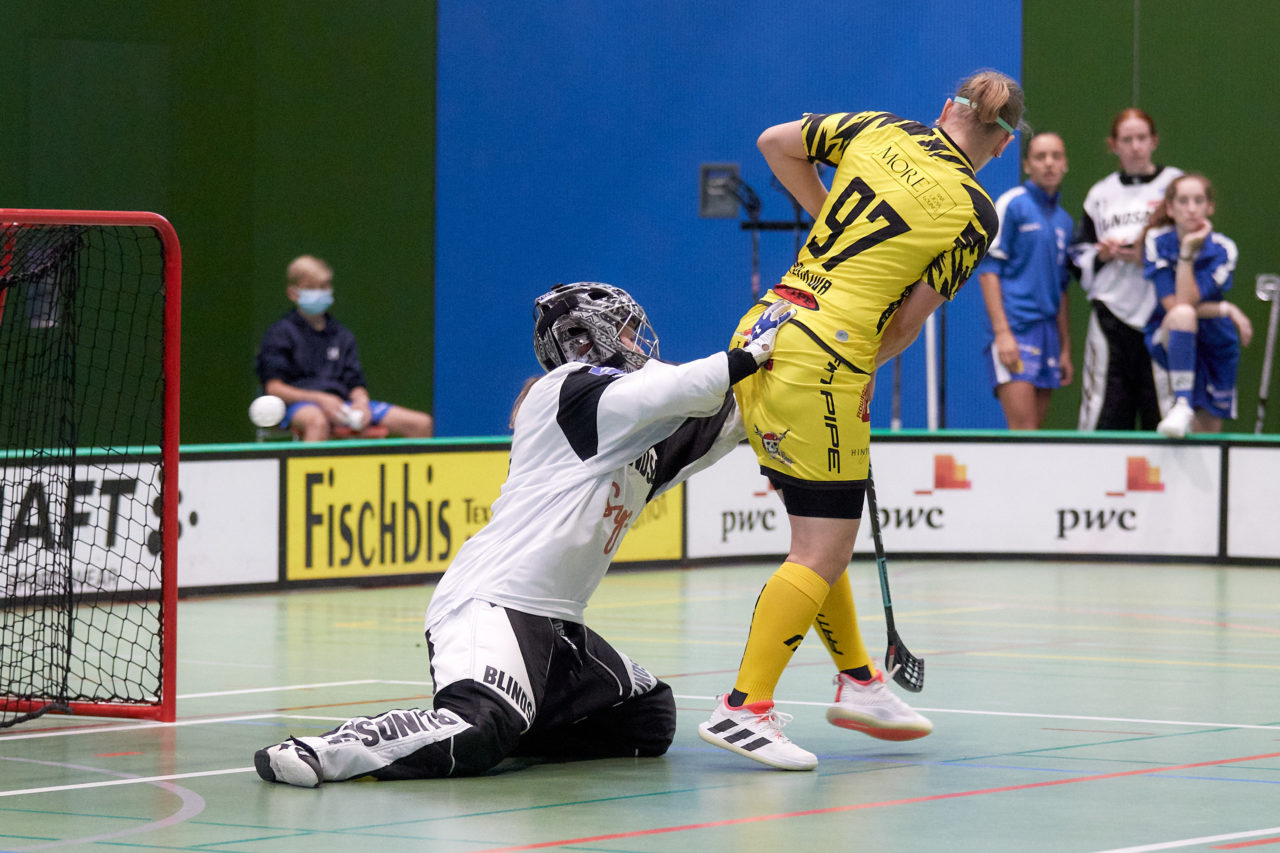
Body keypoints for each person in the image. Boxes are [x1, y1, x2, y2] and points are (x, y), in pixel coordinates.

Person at [254, 281, 796, 787]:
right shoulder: (565, 392)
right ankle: (328, 750)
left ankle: (514, 721)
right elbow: (687, 386)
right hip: (495, 601)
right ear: (587, 339)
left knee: (646, 718)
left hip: (559, 623)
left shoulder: (633, 429)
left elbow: (728, 415)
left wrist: (807, 364)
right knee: (476, 729)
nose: (639, 343)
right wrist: (752, 352)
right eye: (627, 331)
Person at [698, 70, 1024, 771]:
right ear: (1002, 144)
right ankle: (744, 707)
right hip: (827, 354)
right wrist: (858, 368)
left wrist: (825, 216)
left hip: (765, 327)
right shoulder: (976, 212)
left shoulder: (880, 128)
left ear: (946, 109)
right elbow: (904, 324)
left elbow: (774, 143)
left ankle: (860, 682)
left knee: (821, 534)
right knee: (821, 549)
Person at [1071, 109, 1183, 431]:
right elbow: (1077, 256)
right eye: (1127, 139)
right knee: (1103, 417)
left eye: (1141, 138)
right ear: (1113, 145)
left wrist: (1149, 257)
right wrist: (1103, 254)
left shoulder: (1175, 184)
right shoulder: (1100, 194)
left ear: (1154, 141)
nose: (1135, 147)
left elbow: (1195, 244)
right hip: (1111, 318)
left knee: (1162, 417)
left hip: (1162, 315)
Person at [255, 255, 435, 441]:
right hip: (298, 406)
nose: (319, 292)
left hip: (343, 406)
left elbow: (355, 383)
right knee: (317, 421)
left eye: (324, 286)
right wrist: (320, 399)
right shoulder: (280, 333)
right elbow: (274, 388)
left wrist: (361, 403)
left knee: (421, 423)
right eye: (311, 287)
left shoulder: (341, 335)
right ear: (293, 293)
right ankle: (312, 461)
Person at [1142, 174, 1252, 438]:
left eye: (1198, 201)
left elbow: (1189, 301)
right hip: (1172, 336)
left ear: (1210, 207)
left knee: (1207, 440)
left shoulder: (1224, 249)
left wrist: (1189, 252)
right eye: (1183, 201)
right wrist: (1226, 309)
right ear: (1170, 208)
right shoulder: (1156, 241)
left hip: (1216, 343)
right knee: (1182, 315)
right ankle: (1182, 404)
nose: (1191, 208)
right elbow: (1177, 306)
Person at [977, 131, 1074, 429]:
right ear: (1027, 165)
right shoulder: (1013, 204)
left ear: (1065, 164)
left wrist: (1065, 348)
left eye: (1056, 156)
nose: (1049, 163)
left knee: (1035, 438)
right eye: (1040, 157)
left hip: (1049, 337)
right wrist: (1003, 334)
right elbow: (988, 271)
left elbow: (1061, 290)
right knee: (1023, 431)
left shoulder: (1064, 220)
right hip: (1016, 332)